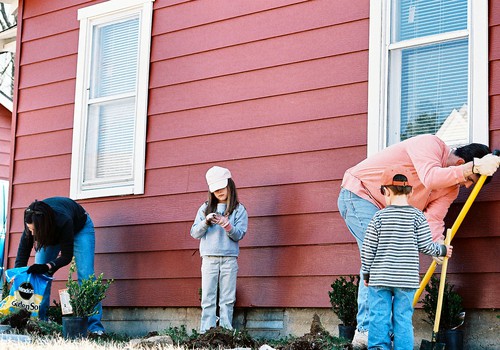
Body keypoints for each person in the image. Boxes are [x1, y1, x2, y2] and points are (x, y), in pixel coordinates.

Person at [337, 134, 500, 349]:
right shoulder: (429, 144)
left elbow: (432, 219)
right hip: (361, 194)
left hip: (387, 211)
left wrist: (436, 247)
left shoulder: (451, 188)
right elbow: (431, 177)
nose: (467, 186)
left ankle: (382, 331)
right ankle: (366, 330)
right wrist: (472, 169)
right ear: (462, 163)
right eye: (471, 181)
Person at [361, 166, 453, 350]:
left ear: (385, 191)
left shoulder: (379, 217)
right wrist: (442, 250)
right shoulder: (417, 217)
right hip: (406, 279)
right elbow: (426, 246)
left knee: (379, 316)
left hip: (380, 278)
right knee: (403, 318)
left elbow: (368, 249)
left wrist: (366, 274)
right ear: (411, 192)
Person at [15, 197, 105, 335]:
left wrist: (47, 266)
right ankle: (39, 323)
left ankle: (95, 328)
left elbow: (66, 256)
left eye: (34, 230)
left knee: (86, 275)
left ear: (42, 225)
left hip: (80, 228)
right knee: (39, 276)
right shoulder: (32, 220)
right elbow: (22, 254)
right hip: (50, 232)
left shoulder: (63, 220)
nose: (32, 234)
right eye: (29, 229)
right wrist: (18, 274)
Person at [190, 166, 248, 333]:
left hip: (229, 259)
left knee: (227, 298)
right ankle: (206, 332)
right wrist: (206, 221)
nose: (219, 192)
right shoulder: (205, 208)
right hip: (209, 258)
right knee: (208, 297)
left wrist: (227, 225)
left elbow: (238, 235)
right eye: (215, 189)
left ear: (230, 185)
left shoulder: (239, 210)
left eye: (222, 187)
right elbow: (194, 232)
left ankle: (225, 331)